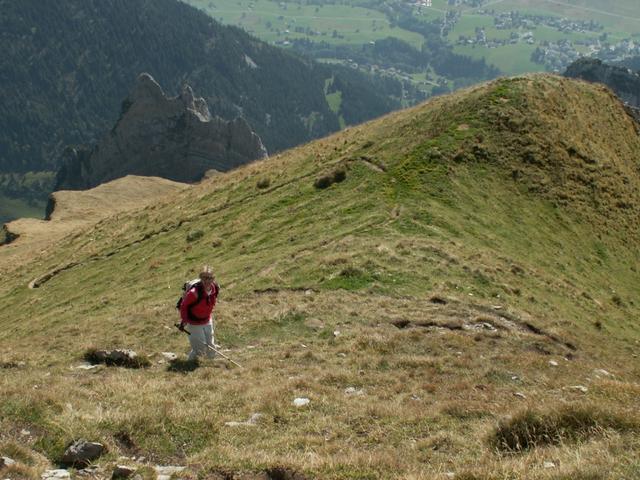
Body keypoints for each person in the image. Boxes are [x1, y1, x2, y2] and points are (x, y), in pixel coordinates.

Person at [179, 266, 220, 361]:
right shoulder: (194, 293)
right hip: (194, 322)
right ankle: (190, 363)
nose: (208, 281)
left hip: (207, 319)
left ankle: (211, 363)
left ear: (213, 278)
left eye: (210, 278)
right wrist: (184, 320)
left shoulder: (215, 288)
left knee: (211, 345)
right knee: (199, 348)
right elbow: (184, 306)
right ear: (201, 278)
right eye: (205, 278)